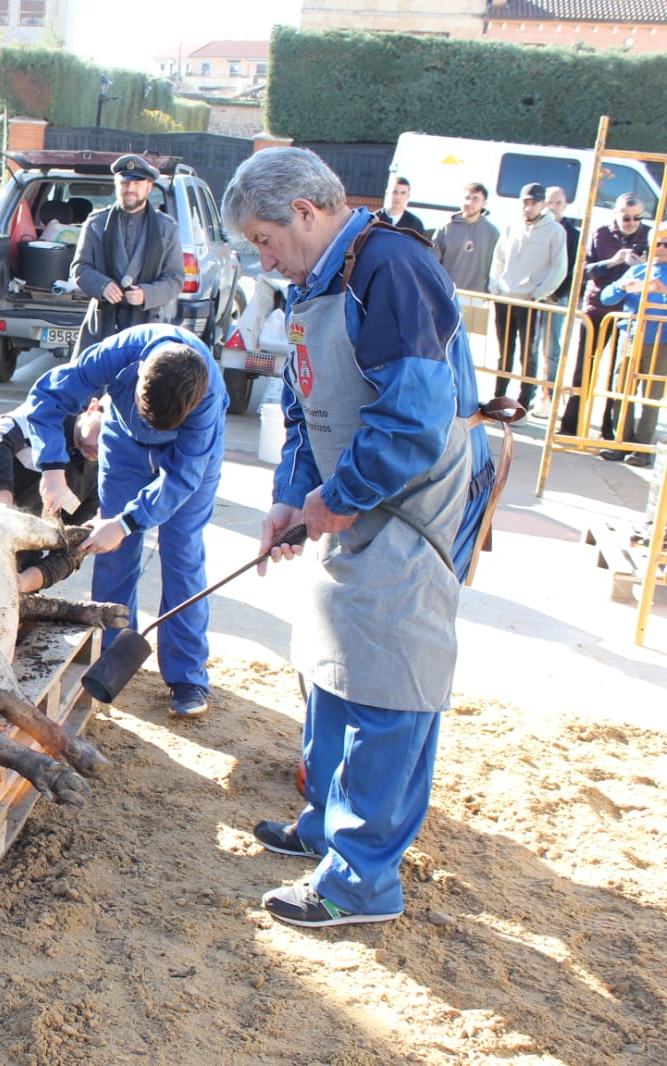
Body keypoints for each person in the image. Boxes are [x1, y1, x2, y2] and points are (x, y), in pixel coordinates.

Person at [221, 146, 479, 928]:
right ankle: (324, 825)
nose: (266, 261)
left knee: (389, 681)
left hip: (408, 505)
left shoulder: (390, 269)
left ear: (305, 212)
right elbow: (306, 406)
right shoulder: (315, 283)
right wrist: (290, 498)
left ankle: (361, 878)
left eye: (265, 241)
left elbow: (412, 419)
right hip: (347, 496)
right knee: (331, 662)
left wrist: (339, 496)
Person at [24, 324, 225, 718]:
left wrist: (127, 521)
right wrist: (51, 465)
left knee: (182, 554)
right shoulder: (115, 355)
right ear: (140, 372)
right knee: (113, 552)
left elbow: (183, 477)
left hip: (189, 456)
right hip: (125, 445)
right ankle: (110, 658)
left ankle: (187, 676)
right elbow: (49, 395)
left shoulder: (207, 397)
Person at [0, 398, 103, 594]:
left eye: (113, 443)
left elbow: (72, 551)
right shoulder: (45, 415)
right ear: (93, 408)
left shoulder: (98, 483)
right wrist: (2, 506)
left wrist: (23, 582)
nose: (101, 449)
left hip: (12, 569)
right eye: (102, 434)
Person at [69, 154, 183, 357]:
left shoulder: (167, 228)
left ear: (149, 187)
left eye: (137, 183)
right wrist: (102, 285)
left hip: (147, 327)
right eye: (124, 183)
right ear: (116, 185)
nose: (130, 189)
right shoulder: (95, 223)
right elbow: (80, 268)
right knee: (88, 376)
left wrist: (147, 294)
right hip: (101, 324)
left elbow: (175, 279)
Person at [568, 193, 652, 438]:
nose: (632, 223)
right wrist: (613, 262)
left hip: (629, 317)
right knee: (584, 368)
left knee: (620, 376)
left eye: (637, 218)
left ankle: (610, 430)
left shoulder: (651, 237)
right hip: (596, 312)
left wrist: (640, 266)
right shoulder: (600, 234)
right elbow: (582, 271)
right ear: (616, 214)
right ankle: (571, 425)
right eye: (626, 218)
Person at [488, 182, 566, 406]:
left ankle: (524, 401)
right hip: (505, 297)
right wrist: (495, 286)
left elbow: (559, 267)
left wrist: (540, 293)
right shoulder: (511, 226)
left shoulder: (555, 231)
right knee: (504, 351)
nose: (528, 207)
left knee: (528, 353)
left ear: (542, 204)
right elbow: (498, 258)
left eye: (533, 203)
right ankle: (498, 397)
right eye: (525, 202)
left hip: (530, 301)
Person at [595, 230, 667, 468]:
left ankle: (642, 448)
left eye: (666, 244)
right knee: (621, 392)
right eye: (657, 243)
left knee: (651, 397)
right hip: (630, 338)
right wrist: (622, 288)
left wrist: (662, 290)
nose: (661, 248)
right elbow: (606, 297)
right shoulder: (638, 270)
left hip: (661, 342)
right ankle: (620, 443)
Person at [536, 186, 583, 417]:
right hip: (533, 295)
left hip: (556, 297)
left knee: (551, 349)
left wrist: (555, 294)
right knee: (530, 348)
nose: (552, 207)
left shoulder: (572, 234)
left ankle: (549, 396)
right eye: (549, 202)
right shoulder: (537, 227)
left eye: (558, 203)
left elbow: (571, 268)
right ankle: (530, 394)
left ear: (566, 205)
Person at [430, 182, 498, 294]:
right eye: (467, 198)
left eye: (475, 199)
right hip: (447, 293)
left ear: (484, 203)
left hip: (477, 297)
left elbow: (495, 268)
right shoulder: (446, 228)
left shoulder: (492, 233)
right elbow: (432, 262)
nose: (469, 203)